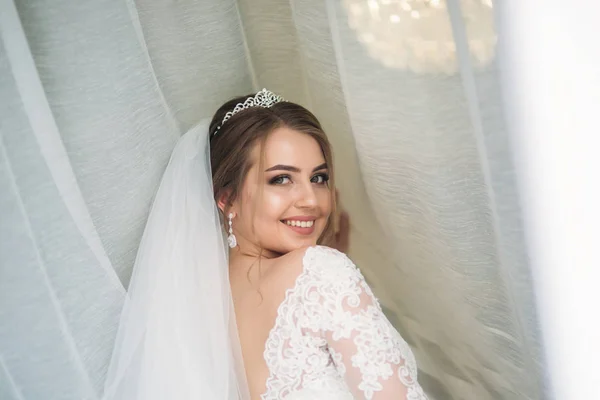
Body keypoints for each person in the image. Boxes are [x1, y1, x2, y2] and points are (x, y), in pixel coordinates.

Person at [102, 89, 427, 400]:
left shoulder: (189, 306)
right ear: (227, 198)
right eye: (281, 179)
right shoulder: (322, 273)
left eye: (318, 178)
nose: (311, 200)